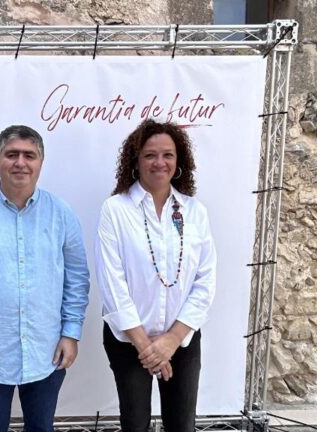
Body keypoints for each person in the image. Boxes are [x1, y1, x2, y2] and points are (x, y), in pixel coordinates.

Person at [0, 125, 90, 432]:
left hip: (47, 350)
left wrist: (71, 332)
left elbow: (77, 279)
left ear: (40, 162)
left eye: (29, 155)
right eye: (12, 154)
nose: (20, 162)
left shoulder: (61, 213)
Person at [95, 120, 216, 432]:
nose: (159, 162)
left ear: (179, 162)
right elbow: (112, 283)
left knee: (182, 425)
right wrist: (147, 347)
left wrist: (172, 340)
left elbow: (205, 281)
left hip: (183, 340)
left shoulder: (194, 211)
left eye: (168, 155)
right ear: (136, 161)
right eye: (150, 155)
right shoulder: (115, 210)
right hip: (128, 339)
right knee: (135, 425)